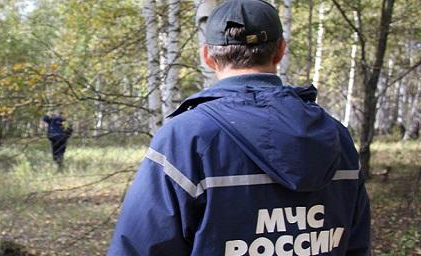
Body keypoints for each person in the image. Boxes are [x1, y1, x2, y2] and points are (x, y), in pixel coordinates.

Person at [108, 0, 370, 255]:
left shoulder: (185, 138)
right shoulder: (337, 137)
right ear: (280, 50)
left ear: (207, 56)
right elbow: (356, 244)